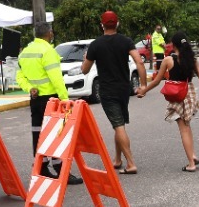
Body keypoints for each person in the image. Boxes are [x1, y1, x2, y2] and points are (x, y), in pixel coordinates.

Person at [82, 10, 149, 174]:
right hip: (124, 89)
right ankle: (118, 159)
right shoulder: (126, 41)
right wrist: (143, 85)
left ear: (102, 25)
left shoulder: (96, 44)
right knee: (119, 124)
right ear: (117, 24)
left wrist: (85, 58)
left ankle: (131, 163)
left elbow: (84, 70)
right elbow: (139, 62)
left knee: (118, 126)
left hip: (107, 91)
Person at [144, 31, 199, 172]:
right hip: (188, 93)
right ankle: (193, 155)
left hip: (176, 95)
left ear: (174, 45)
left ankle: (191, 164)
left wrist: (144, 90)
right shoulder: (192, 60)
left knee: (183, 129)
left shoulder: (168, 60)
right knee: (187, 126)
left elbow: (157, 81)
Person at [16, 22, 75, 182]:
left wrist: (30, 88)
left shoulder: (25, 52)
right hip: (51, 100)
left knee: (38, 133)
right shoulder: (48, 51)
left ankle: (42, 168)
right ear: (49, 33)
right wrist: (65, 99)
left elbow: (19, 76)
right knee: (57, 134)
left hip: (35, 100)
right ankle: (60, 169)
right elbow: (56, 78)